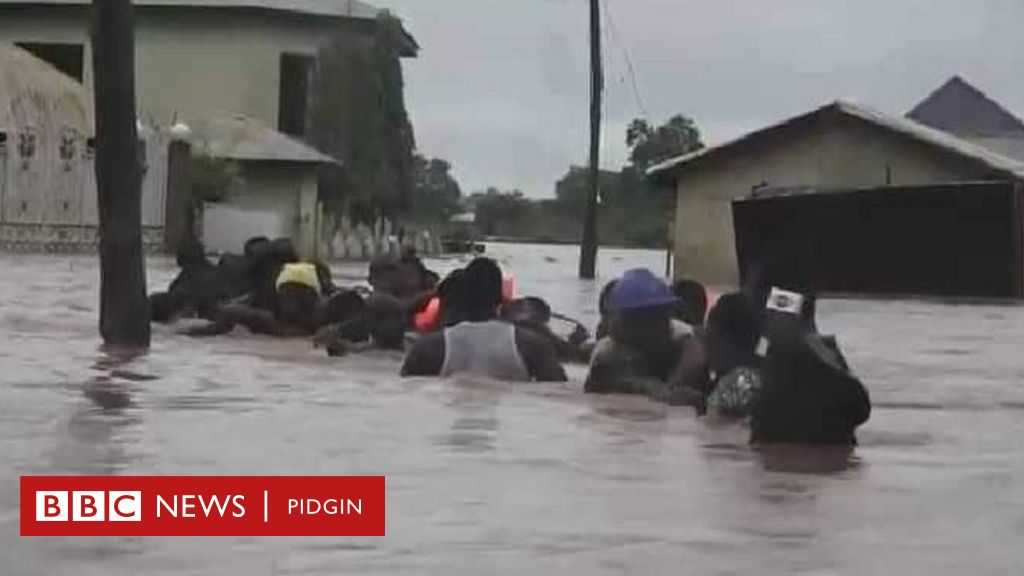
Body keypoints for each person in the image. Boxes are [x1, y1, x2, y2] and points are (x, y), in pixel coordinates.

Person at [401, 257, 566, 382]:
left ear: (462, 295)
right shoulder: (532, 345)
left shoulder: (429, 347)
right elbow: (559, 390)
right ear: (501, 299)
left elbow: (407, 393)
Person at [749, 281, 871, 445]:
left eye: (775, 314)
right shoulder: (773, 355)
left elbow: (859, 407)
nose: (768, 321)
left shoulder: (820, 360)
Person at [584, 268, 708, 404]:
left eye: (663, 316)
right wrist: (658, 390)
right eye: (652, 318)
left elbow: (696, 358)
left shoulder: (680, 333)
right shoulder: (607, 354)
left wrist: (673, 387)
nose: (662, 324)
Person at [703, 292, 763, 418]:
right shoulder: (760, 374)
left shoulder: (740, 381)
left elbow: (716, 424)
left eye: (709, 336)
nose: (706, 344)